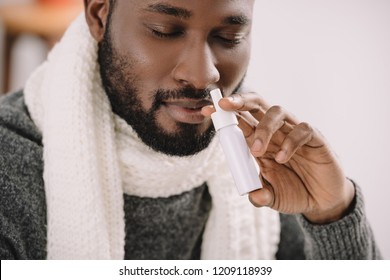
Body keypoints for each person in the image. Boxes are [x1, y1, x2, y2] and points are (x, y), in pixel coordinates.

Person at [0, 0, 381, 260]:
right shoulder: (9, 169)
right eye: (165, 30)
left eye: (229, 38)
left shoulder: (265, 167)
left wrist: (332, 212)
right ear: (99, 15)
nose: (204, 75)